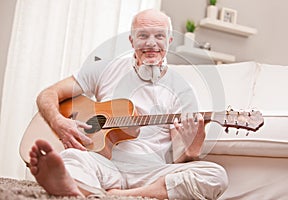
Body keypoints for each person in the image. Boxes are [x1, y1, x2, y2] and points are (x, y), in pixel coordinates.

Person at [29, 9, 228, 199]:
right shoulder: (104, 69)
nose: (151, 43)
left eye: (159, 36)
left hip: (150, 174)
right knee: (71, 157)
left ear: (169, 41)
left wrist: (191, 149)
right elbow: (47, 94)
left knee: (216, 175)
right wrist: (59, 122)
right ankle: (82, 184)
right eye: (143, 36)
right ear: (131, 40)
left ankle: (109, 195)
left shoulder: (183, 90)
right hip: (104, 164)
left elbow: (179, 157)